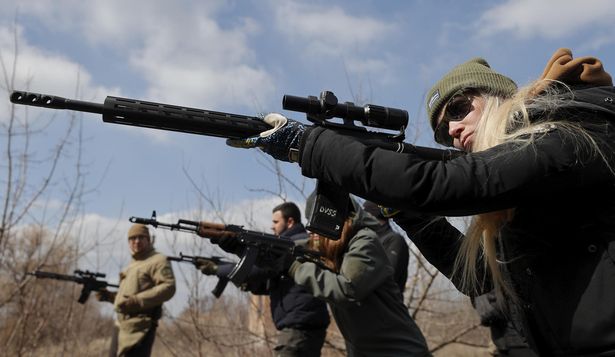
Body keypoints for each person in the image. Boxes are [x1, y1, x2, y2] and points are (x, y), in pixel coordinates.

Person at [226, 48, 615, 356]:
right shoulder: (528, 185)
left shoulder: (568, 133)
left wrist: (308, 144)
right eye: (444, 132)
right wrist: (405, 211)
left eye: (461, 108)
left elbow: (447, 185)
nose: (453, 129)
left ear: (499, 96)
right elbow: (478, 276)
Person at [283, 193, 430, 356]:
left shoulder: (364, 242)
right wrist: (278, 249)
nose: (315, 236)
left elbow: (347, 289)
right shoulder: (337, 251)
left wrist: (295, 267)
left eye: (318, 229)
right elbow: (305, 246)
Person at [199, 202, 330, 357]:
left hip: (300, 328)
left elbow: (258, 269)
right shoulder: (292, 245)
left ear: (290, 222)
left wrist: (218, 267)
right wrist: (249, 284)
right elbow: (272, 282)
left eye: (276, 222)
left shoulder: (297, 245)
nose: (272, 227)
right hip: (301, 326)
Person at [97, 223, 176, 357]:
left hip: (141, 327)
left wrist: (138, 300)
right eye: (133, 238)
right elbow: (128, 297)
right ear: (129, 242)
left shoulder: (158, 260)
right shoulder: (132, 265)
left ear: (148, 240)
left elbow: (169, 287)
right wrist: (110, 297)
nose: (137, 241)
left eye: (141, 237)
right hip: (122, 325)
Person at [362, 200, 410, 293]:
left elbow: (387, 277)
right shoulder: (367, 240)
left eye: (365, 214)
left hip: (387, 304)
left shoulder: (394, 240)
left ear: (372, 216)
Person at [472, 290, 537, 357]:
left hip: (519, 341)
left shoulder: (507, 292)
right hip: (506, 343)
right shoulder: (484, 295)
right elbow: (485, 318)